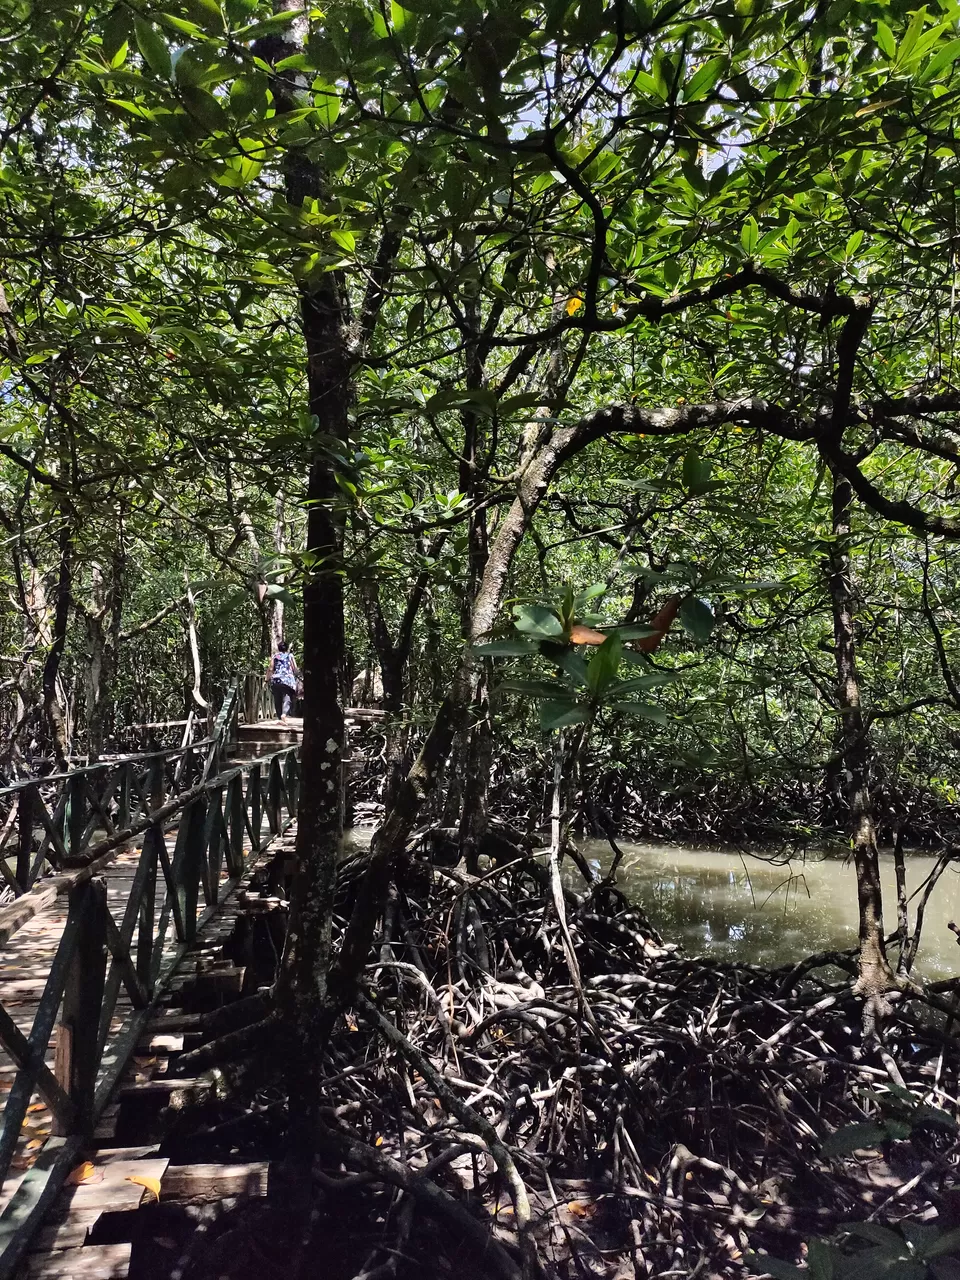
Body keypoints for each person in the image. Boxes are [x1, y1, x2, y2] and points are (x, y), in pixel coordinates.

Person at [266, 640, 299, 722]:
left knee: (277, 699)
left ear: (279, 648)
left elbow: (271, 668)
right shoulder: (290, 656)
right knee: (287, 697)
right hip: (287, 680)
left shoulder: (275, 656)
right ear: (286, 648)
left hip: (276, 680)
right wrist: (297, 675)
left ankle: (279, 718)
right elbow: (295, 668)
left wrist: (267, 679)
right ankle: (284, 714)